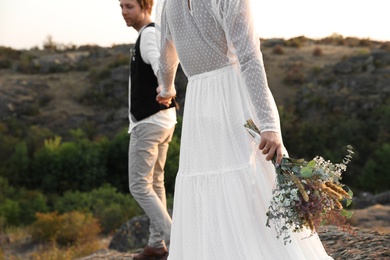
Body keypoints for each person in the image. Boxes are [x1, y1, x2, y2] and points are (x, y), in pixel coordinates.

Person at [155, 0, 333, 259]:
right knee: (249, 178)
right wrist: (269, 124)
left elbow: (165, 52)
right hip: (233, 97)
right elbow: (249, 57)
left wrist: (166, 88)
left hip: (198, 102)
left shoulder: (169, 3)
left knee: (212, 181)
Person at [120, 0, 176, 259]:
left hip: (150, 122)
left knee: (139, 186)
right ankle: (156, 246)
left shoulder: (149, 35)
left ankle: (178, 241)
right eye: (121, 6)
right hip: (163, 120)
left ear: (145, 6)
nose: (124, 12)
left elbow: (159, 63)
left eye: (129, 6)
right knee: (155, 182)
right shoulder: (150, 34)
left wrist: (165, 88)